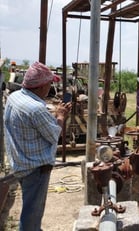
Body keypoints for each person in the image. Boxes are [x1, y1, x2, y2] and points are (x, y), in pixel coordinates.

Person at [4, 61, 72, 231]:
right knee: (32, 216)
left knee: (30, 208)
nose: (50, 87)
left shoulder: (14, 97)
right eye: (49, 83)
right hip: (36, 169)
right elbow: (55, 134)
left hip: (20, 163)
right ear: (41, 86)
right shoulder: (36, 109)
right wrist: (61, 115)